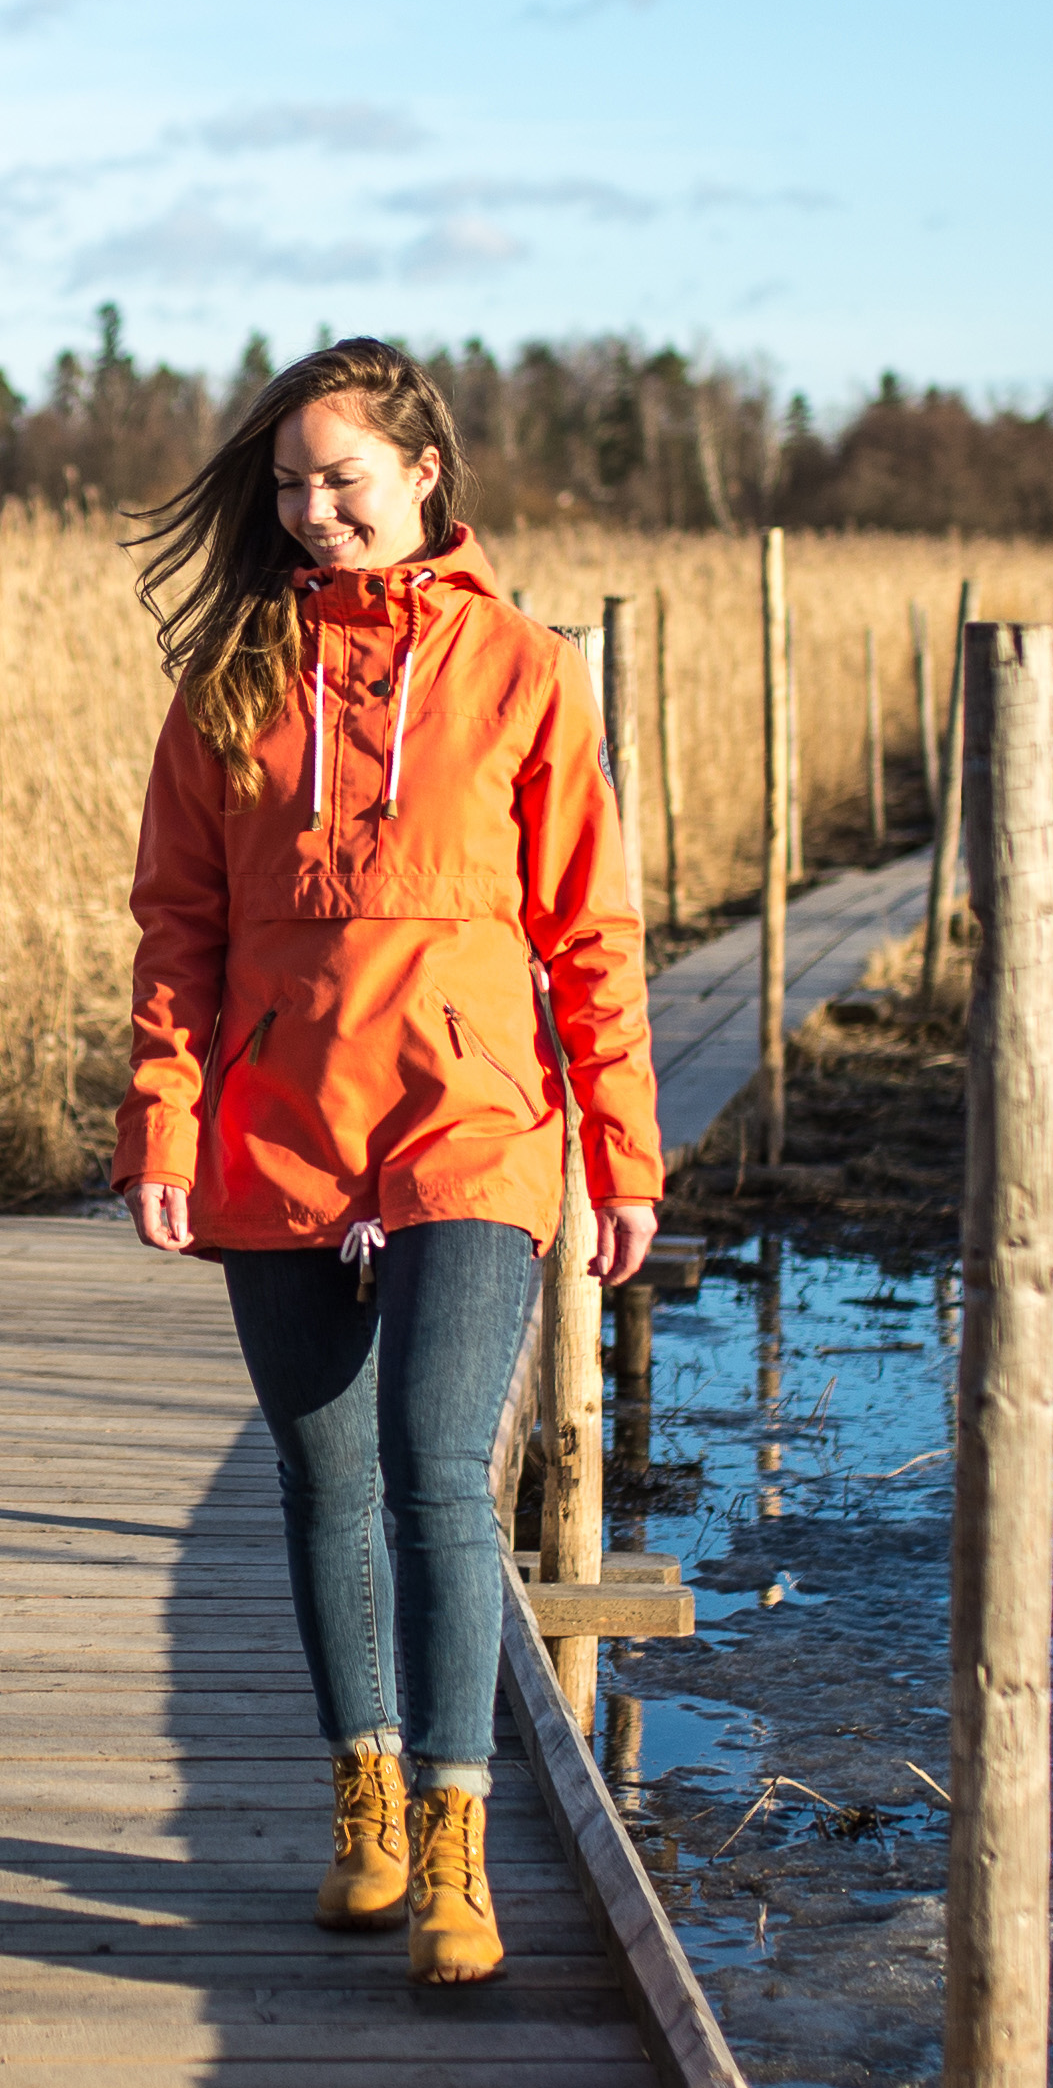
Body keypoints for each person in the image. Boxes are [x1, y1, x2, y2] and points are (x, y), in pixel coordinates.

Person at [110, 338, 660, 1989]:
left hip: (472, 1122)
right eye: (289, 485)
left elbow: (592, 931)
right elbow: (177, 928)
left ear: (427, 474)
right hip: (283, 1124)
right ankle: (358, 1794)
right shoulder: (231, 679)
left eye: (345, 478)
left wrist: (622, 1151)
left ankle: (453, 1839)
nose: (315, 509)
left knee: (435, 1468)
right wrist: (163, 1115)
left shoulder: (521, 673)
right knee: (323, 1478)